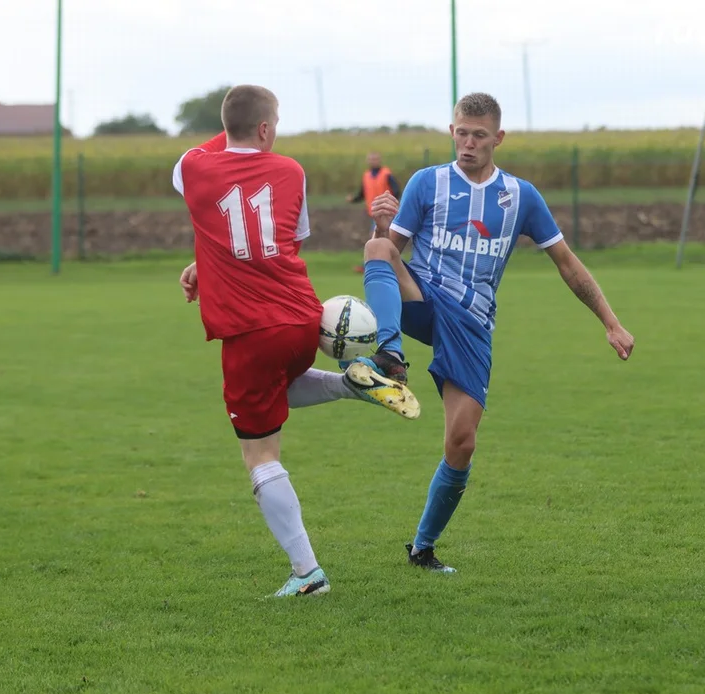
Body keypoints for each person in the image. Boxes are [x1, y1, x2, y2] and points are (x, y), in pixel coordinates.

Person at [350, 92, 635, 573]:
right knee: (374, 251)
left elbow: (567, 264)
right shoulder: (426, 183)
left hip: (473, 322)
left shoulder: (521, 196)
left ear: (497, 138)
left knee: (462, 442)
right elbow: (387, 251)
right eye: (461, 132)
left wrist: (611, 321)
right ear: (452, 131)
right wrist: (382, 226)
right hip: (424, 297)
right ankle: (390, 357)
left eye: (478, 135)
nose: (467, 143)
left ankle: (422, 548)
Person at [173, 85, 420, 598]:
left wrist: (211, 267)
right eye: (275, 122)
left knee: (259, 455)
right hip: (303, 318)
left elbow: (218, 171)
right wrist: (209, 264)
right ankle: (355, 385)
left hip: (249, 328)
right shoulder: (291, 171)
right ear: (266, 129)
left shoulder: (194, 167)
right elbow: (286, 240)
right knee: (278, 389)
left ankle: (307, 574)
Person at [349, 152, 401, 232]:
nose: (373, 161)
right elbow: (362, 194)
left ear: (379, 160)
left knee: (377, 235)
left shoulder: (386, 174)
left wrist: (391, 204)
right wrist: (353, 199)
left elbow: (396, 191)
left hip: (386, 211)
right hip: (373, 211)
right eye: (371, 159)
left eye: (375, 159)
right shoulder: (366, 176)